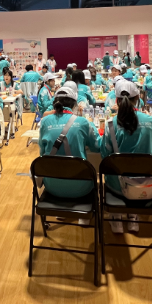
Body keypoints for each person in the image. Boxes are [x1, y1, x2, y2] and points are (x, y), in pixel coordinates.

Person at [101, 80, 152, 233]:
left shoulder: (111, 124)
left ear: (117, 100)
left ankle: (116, 218)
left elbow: (105, 154)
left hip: (118, 186)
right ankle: (133, 216)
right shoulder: (151, 121)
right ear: (138, 98)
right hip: (146, 186)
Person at [38, 85, 102, 219]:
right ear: (74, 104)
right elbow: (97, 147)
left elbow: (42, 153)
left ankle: (61, 210)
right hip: (81, 186)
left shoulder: (45, 122)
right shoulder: (83, 122)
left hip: (52, 186)